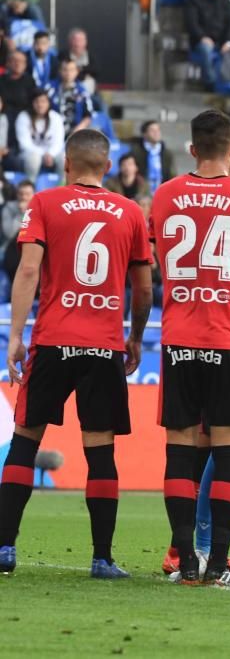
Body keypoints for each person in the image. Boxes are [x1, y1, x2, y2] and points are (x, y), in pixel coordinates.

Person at [0, 129, 152, 578]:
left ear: (66, 164)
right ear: (107, 168)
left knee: (26, 441)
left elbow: (28, 270)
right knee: (100, 452)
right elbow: (143, 289)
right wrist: (137, 336)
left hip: (52, 340)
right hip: (104, 346)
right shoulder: (129, 212)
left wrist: (14, 336)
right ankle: (102, 558)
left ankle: (5, 549)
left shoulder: (45, 203)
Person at [150, 109, 230, 588]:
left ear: (192, 149)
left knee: (179, 454)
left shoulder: (164, 196)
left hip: (180, 337)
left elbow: (163, 261)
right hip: (228, 339)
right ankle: (220, 566)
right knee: (226, 455)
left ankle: (185, 565)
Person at [185, 0, 230, 90]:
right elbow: (191, 23)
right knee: (206, 50)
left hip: (222, 40)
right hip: (200, 40)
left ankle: (227, 84)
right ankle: (210, 83)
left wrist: (228, 40)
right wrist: (202, 37)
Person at [16, 88, 64, 182]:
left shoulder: (55, 117)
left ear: (48, 103)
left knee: (65, 158)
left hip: (52, 153)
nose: (40, 105)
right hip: (30, 154)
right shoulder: (23, 117)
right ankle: (31, 185)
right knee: (34, 158)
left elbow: (59, 142)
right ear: (32, 103)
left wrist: (50, 154)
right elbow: (24, 144)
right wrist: (44, 154)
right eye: (37, 101)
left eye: (43, 101)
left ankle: (62, 185)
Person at [47, 59, 94, 136]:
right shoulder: (50, 88)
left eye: (71, 70)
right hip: (52, 131)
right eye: (65, 70)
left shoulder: (82, 91)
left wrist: (78, 129)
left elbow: (88, 116)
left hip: (75, 133)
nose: (68, 73)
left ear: (77, 71)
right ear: (60, 71)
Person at [131, 121, 175, 194]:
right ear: (144, 134)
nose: (156, 133)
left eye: (158, 130)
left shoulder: (167, 153)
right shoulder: (135, 151)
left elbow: (172, 174)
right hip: (141, 192)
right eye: (152, 130)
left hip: (162, 191)